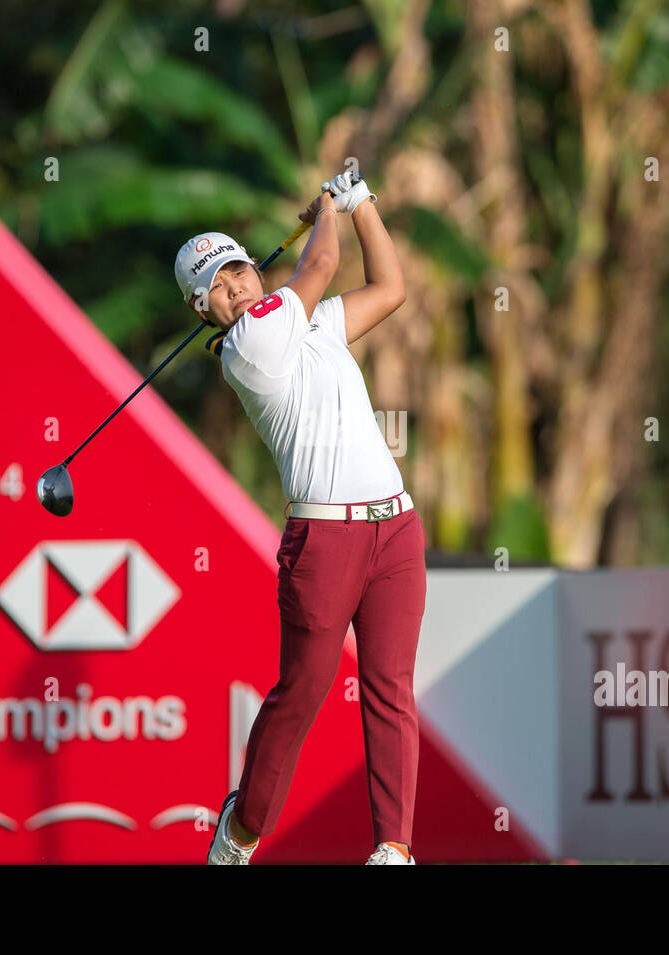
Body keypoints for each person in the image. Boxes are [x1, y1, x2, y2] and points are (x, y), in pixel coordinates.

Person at [173, 171, 426, 865]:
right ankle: (242, 830)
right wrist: (327, 210)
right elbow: (320, 262)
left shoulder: (308, 322)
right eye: (219, 289)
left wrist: (363, 203)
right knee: (303, 690)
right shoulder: (249, 347)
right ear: (207, 313)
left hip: (395, 527)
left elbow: (390, 289)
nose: (237, 289)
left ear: (256, 270)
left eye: (240, 272)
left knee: (390, 688)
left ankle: (394, 849)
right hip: (324, 538)